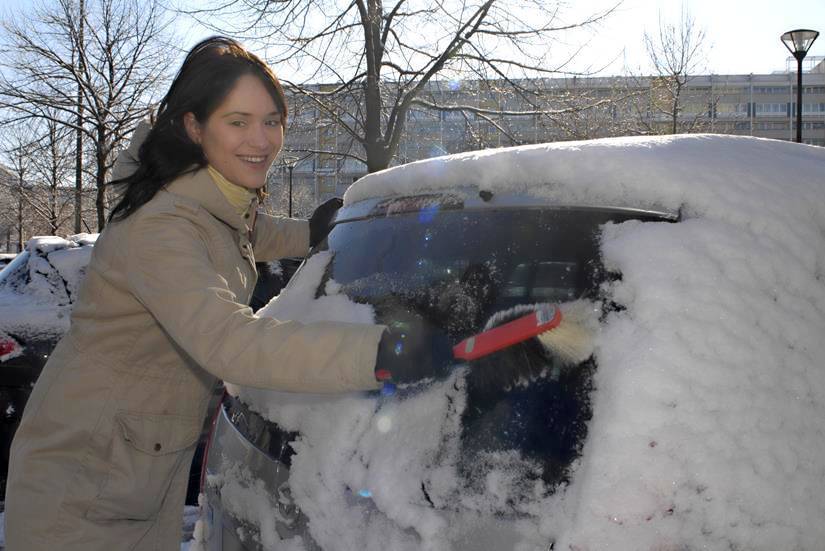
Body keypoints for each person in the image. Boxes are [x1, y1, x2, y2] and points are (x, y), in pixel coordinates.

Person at [4, 36, 448, 551]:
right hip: (82, 488)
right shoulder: (162, 226)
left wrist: (311, 232)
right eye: (237, 122)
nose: (261, 139)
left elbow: (243, 234)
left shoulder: (202, 195)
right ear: (195, 126)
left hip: (129, 467)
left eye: (272, 120)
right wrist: (379, 351)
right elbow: (231, 342)